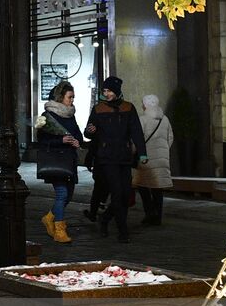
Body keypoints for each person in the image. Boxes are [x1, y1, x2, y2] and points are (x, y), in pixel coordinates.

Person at [83, 76, 147, 243]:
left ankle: (105, 219)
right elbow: (88, 133)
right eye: (104, 91)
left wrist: (142, 153)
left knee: (126, 195)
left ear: (117, 91)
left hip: (124, 158)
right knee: (117, 193)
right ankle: (122, 230)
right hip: (106, 158)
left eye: (109, 91)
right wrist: (90, 131)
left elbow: (136, 132)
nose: (106, 94)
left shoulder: (128, 108)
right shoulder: (99, 109)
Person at [35, 81, 84, 243]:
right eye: (70, 97)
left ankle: (49, 218)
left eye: (73, 97)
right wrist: (61, 140)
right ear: (60, 97)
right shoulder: (47, 116)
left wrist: (77, 141)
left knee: (68, 195)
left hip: (69, 161)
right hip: (56, 160)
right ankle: (60, 230)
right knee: (62, 193)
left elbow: (78, 135)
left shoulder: (71, 115)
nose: (72, 100)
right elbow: (42, 141)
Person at [132, 94, 174, 226]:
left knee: (143, 186)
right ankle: (158, 216)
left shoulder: (142, 119)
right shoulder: (165, 119)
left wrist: (134, 152)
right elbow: (170, 137)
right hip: (162, 158)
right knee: (157, 189)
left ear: (145, 105)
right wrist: (164, 150)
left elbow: (137, 139)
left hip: (146, 159)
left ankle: (149, 214)